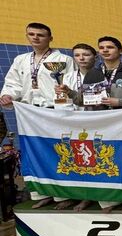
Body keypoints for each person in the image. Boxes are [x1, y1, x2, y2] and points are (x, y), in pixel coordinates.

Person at [0, 22, 73, 208]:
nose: (35, 38)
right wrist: (8, 96)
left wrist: (67, 109)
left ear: (50, 38)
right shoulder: (21, 60)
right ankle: (41, 193)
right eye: (31, 34)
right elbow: (13, 84)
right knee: (34, 154)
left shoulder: (63, 59)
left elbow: (71, 85)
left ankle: (63, 195)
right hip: (29, 114)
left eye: (40, 35)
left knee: (59, 153)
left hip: (54, 111)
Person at [74, 36, 122, 213]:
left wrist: (119, 102)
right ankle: (109, 199)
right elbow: (82, 100)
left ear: (120, 51)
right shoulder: (93, 74)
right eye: (102, 47)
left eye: (110, 47)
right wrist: (68, 92)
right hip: (99, 125)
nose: (105, 50)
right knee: (104, 162)